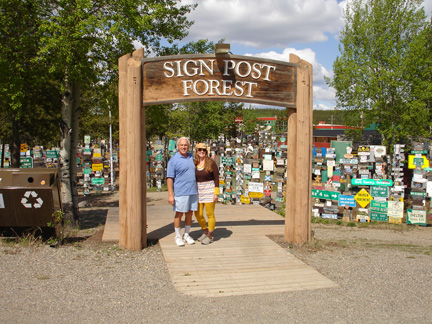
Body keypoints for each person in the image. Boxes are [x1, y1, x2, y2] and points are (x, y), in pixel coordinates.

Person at [167, 137, 197, 247]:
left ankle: (187, 234)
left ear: (188, 146)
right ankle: (178, 236)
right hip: (180, 191)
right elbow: (169, 178)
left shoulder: (191, 157)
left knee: (189, 213)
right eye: (181, 145)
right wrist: (171, 195)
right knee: (179, 214)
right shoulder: (173, 160)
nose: (183, 147)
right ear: (178, 146)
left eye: (185, 145)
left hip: (192, 191)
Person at [194, 143, 219, 245]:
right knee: (198, 214)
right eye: (200, 150)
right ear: (196, 151)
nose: (202, 152)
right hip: (198, 191)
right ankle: (204, 231)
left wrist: (216, 193)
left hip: (209, 189)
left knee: (210, 214)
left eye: (204, 150)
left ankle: (210, 235)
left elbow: (216, 177)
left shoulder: (211, 163)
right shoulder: (194, 163)